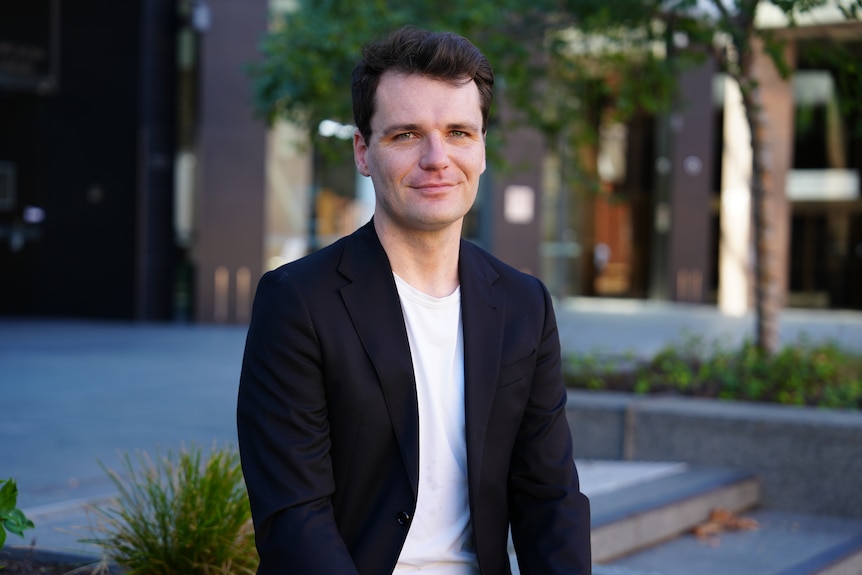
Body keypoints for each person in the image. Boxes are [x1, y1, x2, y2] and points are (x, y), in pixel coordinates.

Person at [237, 26, 591, 575]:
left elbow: (551, 498)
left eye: (458, 132)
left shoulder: (524, 304)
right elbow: (293, 515)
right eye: (406, 134)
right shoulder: (298, 303)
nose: (436, 158)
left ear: (482, 149)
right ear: (363, 151)